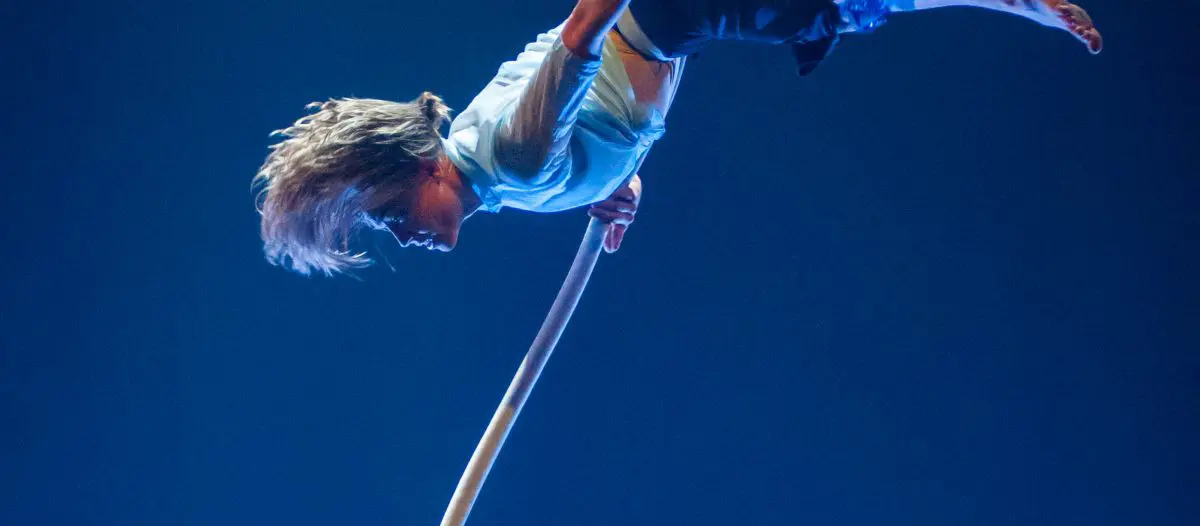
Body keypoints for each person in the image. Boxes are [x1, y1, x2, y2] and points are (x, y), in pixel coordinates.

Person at [254, 0, 1101, 275]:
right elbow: (582, 115)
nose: (398, 231)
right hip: (662, 29)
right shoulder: (498, 175)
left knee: (825, 10)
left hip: (660, 18)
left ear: (416, 166)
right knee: (819, 15)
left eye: (389, 211)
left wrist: (601, 174)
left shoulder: (504, 157)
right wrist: (615, 187)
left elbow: (578, 44)